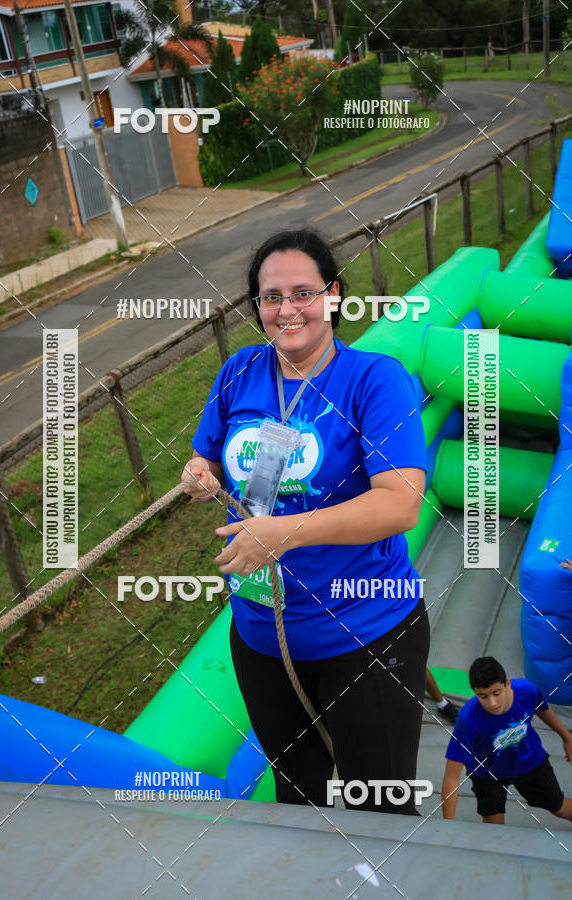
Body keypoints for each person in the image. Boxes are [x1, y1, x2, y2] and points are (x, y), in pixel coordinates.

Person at [182, 229, 429, 814]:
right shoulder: (240, 371)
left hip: (366, 633)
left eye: (303, 293)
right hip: (261, 635)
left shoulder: (374, 380)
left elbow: (400, 503)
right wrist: (198, 476)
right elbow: (205, 456)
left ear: (333, 295)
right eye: (271, 297)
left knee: (380, 809)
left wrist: (284, 534)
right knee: (297, 801)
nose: (287, 309)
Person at [442, 656, 572, 824]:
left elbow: (542, 709)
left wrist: (566, 736)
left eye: (497, 693)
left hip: (529, 761)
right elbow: (451, 777)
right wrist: (447, 825)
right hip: (487, 773)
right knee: (494, 825)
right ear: (473, 691)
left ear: (507, 683)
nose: (492, 703)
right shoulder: (467, 719)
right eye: (483, 696)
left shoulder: (527, 691)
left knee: (560, 808)